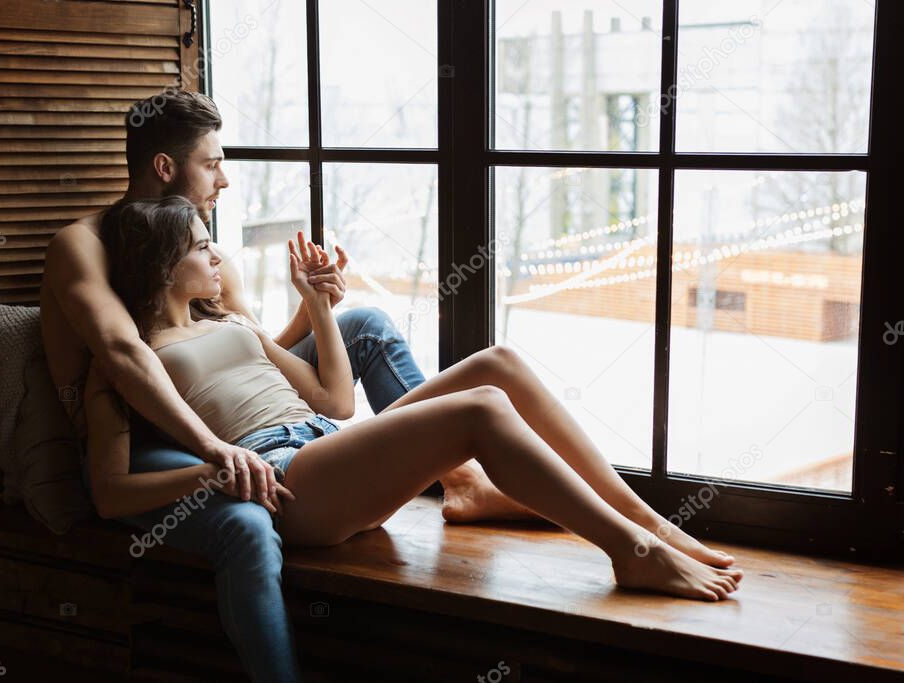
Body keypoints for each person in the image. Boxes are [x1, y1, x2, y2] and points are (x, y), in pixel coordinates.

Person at [86, 197, 745, 630]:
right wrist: (212, 471)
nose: (216, 255)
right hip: (291, 479)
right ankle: (629, 551)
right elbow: (112, 488)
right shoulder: (136, 358)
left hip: (325, 443)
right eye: (202, 246)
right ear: (163, 263)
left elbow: (335, 402)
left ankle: (649, 521)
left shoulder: (231, 320)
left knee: (500, 362)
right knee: (482, 408)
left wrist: (317, 302)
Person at [40, 90, 426, 683]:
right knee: (246, 524)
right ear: (166, 168)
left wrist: (315, 303)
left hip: (219, 410)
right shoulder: (85, 244)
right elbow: (124, 355)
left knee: (365, 328)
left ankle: (458, 477)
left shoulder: (205, 248)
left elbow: (246, 351)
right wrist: (215, 450)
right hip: (138, 433)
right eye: (212, 163)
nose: (224, 181)